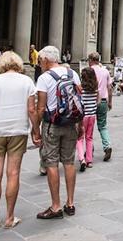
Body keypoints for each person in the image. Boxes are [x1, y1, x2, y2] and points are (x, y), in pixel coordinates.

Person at [0, 51, 38, 230]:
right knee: (13, 174)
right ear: (18, 64)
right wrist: (36, 131)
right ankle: (9, 217)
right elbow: (32, 110)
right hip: (18, 131)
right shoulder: (26, 81)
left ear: (1, 64)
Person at [35, 45, 82, 219]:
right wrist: (81, 125)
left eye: (40, 61)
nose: (40, 64)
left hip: (52, 124)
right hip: (71, 123)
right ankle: (70, 203)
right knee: (69, 162)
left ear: (47, 60)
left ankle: (56, 206)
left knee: (51, 164)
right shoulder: (72, 74)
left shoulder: (44, 78)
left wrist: (36, 130)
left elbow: (40, 107)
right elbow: (79, 101)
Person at [87, 52, 113, 162]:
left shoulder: (88, 71)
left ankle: (89, 149)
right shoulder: (105, 71)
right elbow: (110, 88)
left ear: (90, 60)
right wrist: (110, 102)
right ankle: (107, 146)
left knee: (89, 127)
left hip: (90, 101)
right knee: (102, 126)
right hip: (103, 101)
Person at [76, 67, 98, 172]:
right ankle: (89, 160)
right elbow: (97, 102)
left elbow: (79, 103)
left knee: (80, 138)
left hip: (83, 116)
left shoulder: (80, 89)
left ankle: (81, 159)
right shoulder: (95, 88)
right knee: (89, 138)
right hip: (92, 116)